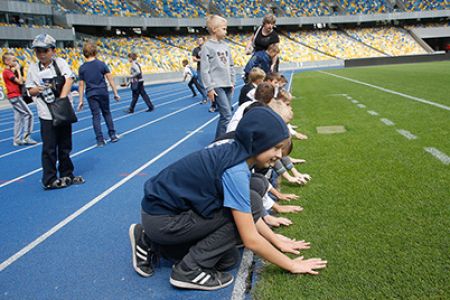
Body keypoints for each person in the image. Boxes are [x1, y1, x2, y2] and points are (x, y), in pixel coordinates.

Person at [128, 107, 327, 291]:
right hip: (163, 220)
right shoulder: (236, 170)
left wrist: (276, 241)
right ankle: (188, 270)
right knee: (244, 215)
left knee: (227, 259)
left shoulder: (235, 151)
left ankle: (150, 243)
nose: (278, 155)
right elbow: (251, 239)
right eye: (275, 147)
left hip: (162, 214)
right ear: (256, 141)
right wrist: (292, 265)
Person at [25, 33, 84, 190]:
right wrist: (39, 88)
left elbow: (69, 79)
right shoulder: (33, 69)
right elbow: (30, 91)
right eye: (38, 51)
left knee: (65, 145)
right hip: (46, 114)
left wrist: (62, 100)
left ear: (53, 50)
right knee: (49, 148)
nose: (42, 54)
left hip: (62, 110)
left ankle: (67, 173)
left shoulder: (61, 63)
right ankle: (49, 178)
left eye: (45, 50)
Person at [77, 41, 121, 147]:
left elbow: (81, 85)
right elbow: (110, 80)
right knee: (107, 113)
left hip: (91, 94)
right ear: (95, 52)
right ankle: (112, 135)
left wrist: (81, 101)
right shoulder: (101, 64)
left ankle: (100, 140)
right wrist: (115, 93)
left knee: (95, 116)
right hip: (102, 92)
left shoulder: (82, 68)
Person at [200, 15, 235, 139]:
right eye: (224, 29)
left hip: (227, 84)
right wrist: (209, 88)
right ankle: (219, 142)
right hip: (217, 85)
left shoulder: (225, 46)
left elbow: (230, 65)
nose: (226, 31)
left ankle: (220, 138)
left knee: (227, 114)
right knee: (226, 115)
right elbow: (204, 70)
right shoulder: (206, 47)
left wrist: (232, 81)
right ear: (214, 29)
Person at [2, 52, 37, 146]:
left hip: (15, 96)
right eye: (13, 60)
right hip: (15, 96)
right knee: (29, 114)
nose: (15, 62)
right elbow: (20, 82)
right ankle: (26, 137)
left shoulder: (9, 72)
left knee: (18, 118)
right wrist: (17, 70)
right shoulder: (7, 72)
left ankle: (17, 139)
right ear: (7, 61)